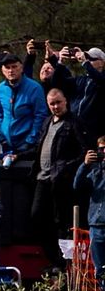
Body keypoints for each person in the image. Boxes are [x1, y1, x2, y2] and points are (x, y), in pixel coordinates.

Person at [31, 89, 89, 268]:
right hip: (43, 178)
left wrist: (66, 168)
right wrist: (18, 155)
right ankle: (53, 258)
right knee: (37, 216)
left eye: (58, 102)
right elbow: (39, 147)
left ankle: (65, 263)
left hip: (62, 181)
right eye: (52, 104)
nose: (55, 107)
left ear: (66, 101)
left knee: (62, 221)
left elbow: (84, 151)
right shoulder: (47, 122)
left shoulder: (74, 123)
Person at [0, 52, 49, 162]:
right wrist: (2, 136)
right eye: (7, 67)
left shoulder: (34, 88)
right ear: (3, 70)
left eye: (14, 67)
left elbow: (40, 116)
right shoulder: (1, 87)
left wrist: (30, 140)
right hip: (7, 143)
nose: (11, 70)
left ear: (21, 67)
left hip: (26, 144)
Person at [73, 136, 105, 291]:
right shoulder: (95, 170)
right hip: (96, 225)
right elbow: (77, 186)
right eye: (101, 150)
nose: (103, 153)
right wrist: (85, 165)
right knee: (100, 269)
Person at [67, 46, 105, 140]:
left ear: (101, 62)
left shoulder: (102, 79)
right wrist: (58, 62)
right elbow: (59, 82)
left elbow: (100, 80)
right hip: (73, 126)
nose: (88, 61)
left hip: (93, 131)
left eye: (91, 59)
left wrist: (84, 62)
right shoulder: (81, 79)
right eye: (87, 58)